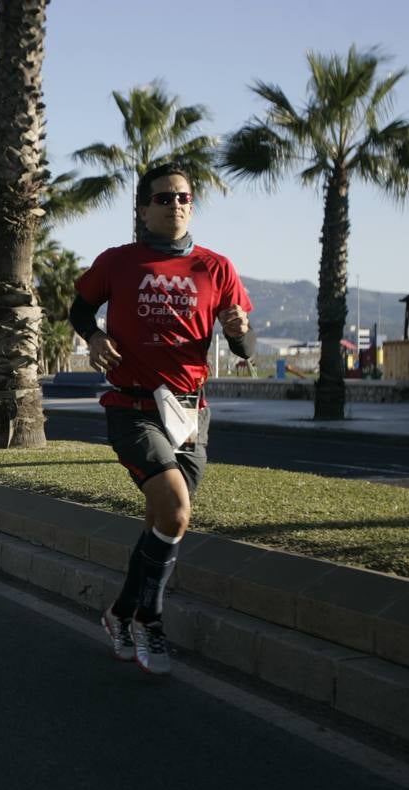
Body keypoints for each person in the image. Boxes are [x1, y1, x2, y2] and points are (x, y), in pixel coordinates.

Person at [71, 162, 256, 676]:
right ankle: (151, 620)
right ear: (143, 208)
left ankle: (118, 613)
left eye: (183, 197)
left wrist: (240, 332)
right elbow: (80, 309)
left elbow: (244, 344)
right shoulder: (117, 262)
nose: (175, 205)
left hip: (190, 412)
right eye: (163, 198)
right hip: (133, 408)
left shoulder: (216, 268)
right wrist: (94, 337)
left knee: (162, 521)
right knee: (175, 509)